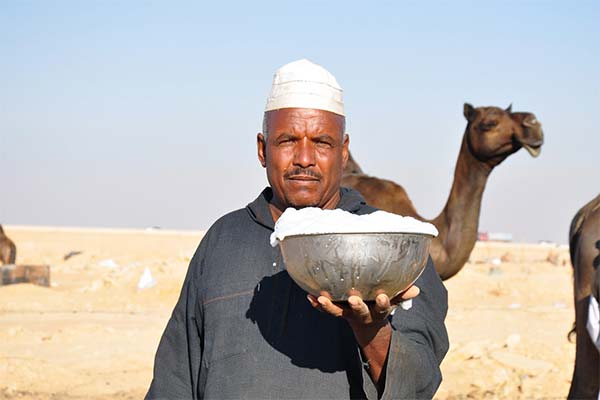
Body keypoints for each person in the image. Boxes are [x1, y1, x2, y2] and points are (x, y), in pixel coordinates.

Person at [145, 59, 449, 399]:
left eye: (321, 142)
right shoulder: (223, 240)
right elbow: (175, 376)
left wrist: (372, 330)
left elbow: (420, 384)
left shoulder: (389, 246)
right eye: (288, 140)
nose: (304, 158)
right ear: (263, 149)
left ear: (343, 152)